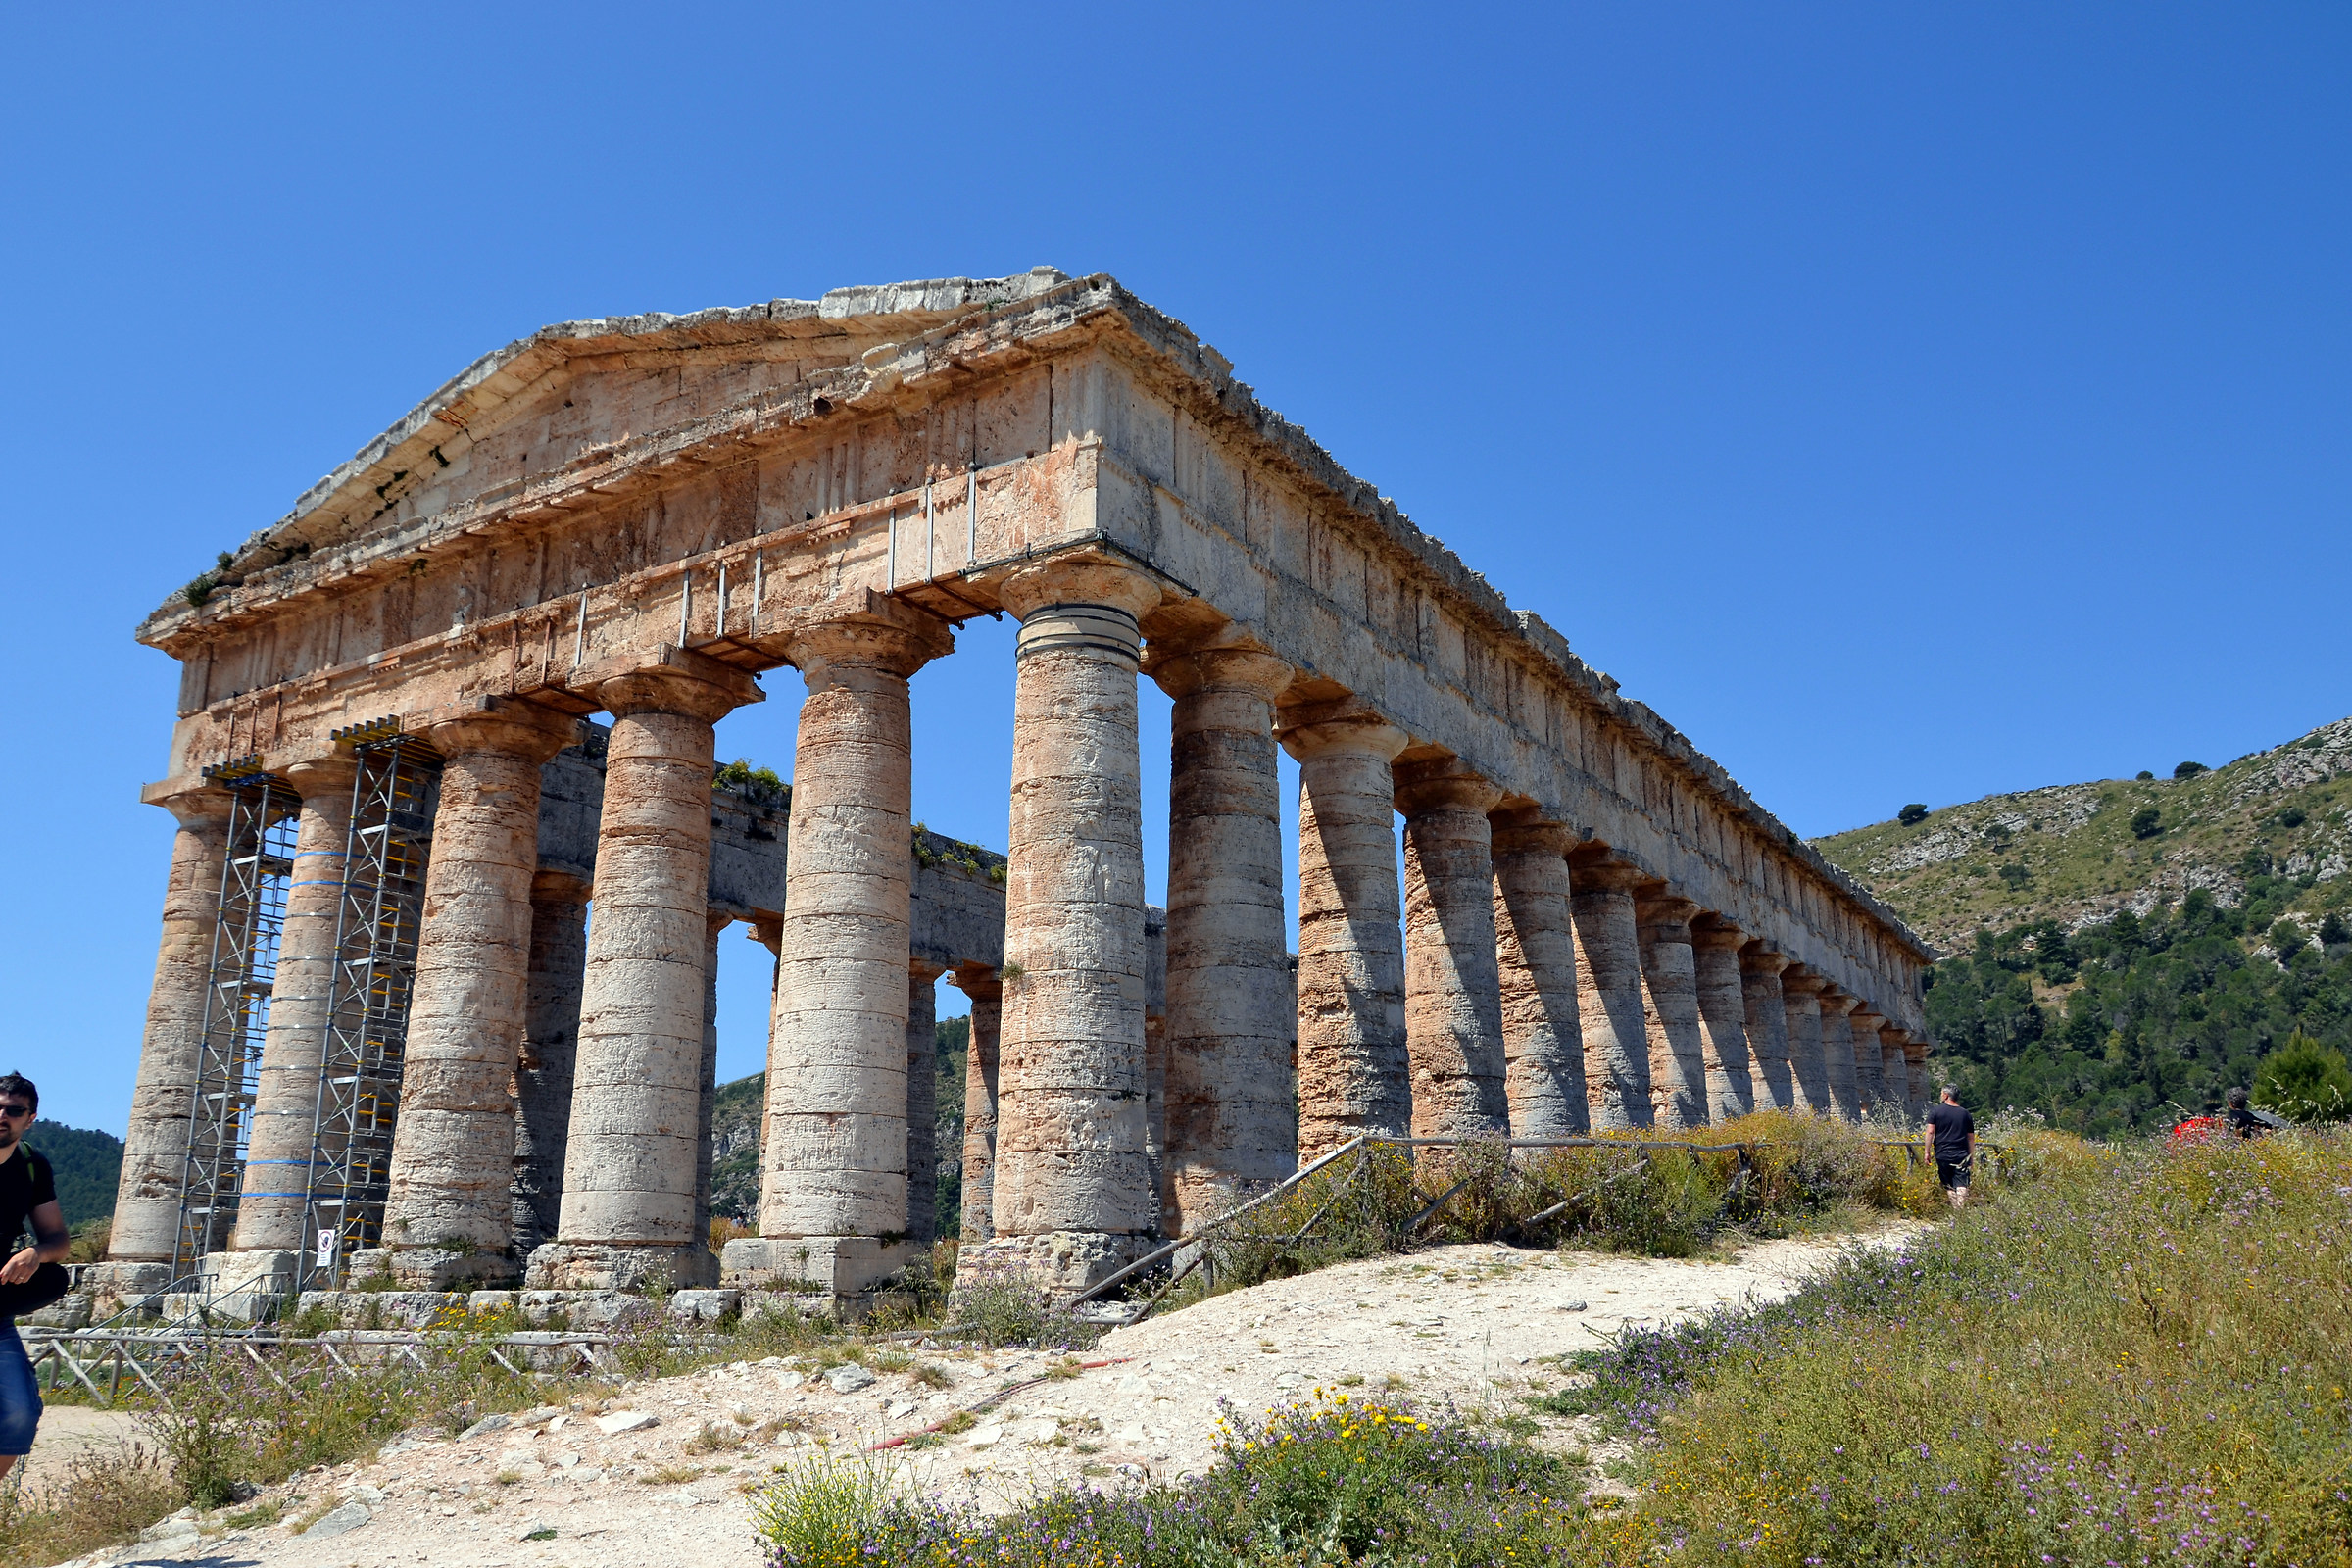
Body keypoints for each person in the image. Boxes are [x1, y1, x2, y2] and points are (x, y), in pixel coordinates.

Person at [0, 1072, 67, 1482]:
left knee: (20, 1412)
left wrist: (34, 1253)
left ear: (31, 1118)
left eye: (13, 1110)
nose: (2, 1116)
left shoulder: (31, 1165)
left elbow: (58, 1239)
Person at [1923, 1085, 1976, 1208]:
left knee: (1949, 1183)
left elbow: (1930, 1131)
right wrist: (1971, 1157)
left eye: (1942, 1093)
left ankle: (1956, 1210)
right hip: (1962, 1153)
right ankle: (1960, 1209)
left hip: (1943, 1153)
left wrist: (1927, 1151)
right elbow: (1971, 1138)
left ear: (1946, 1095)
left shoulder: (1936, 1111)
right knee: (1962, 1182)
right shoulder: (1965, 1114)